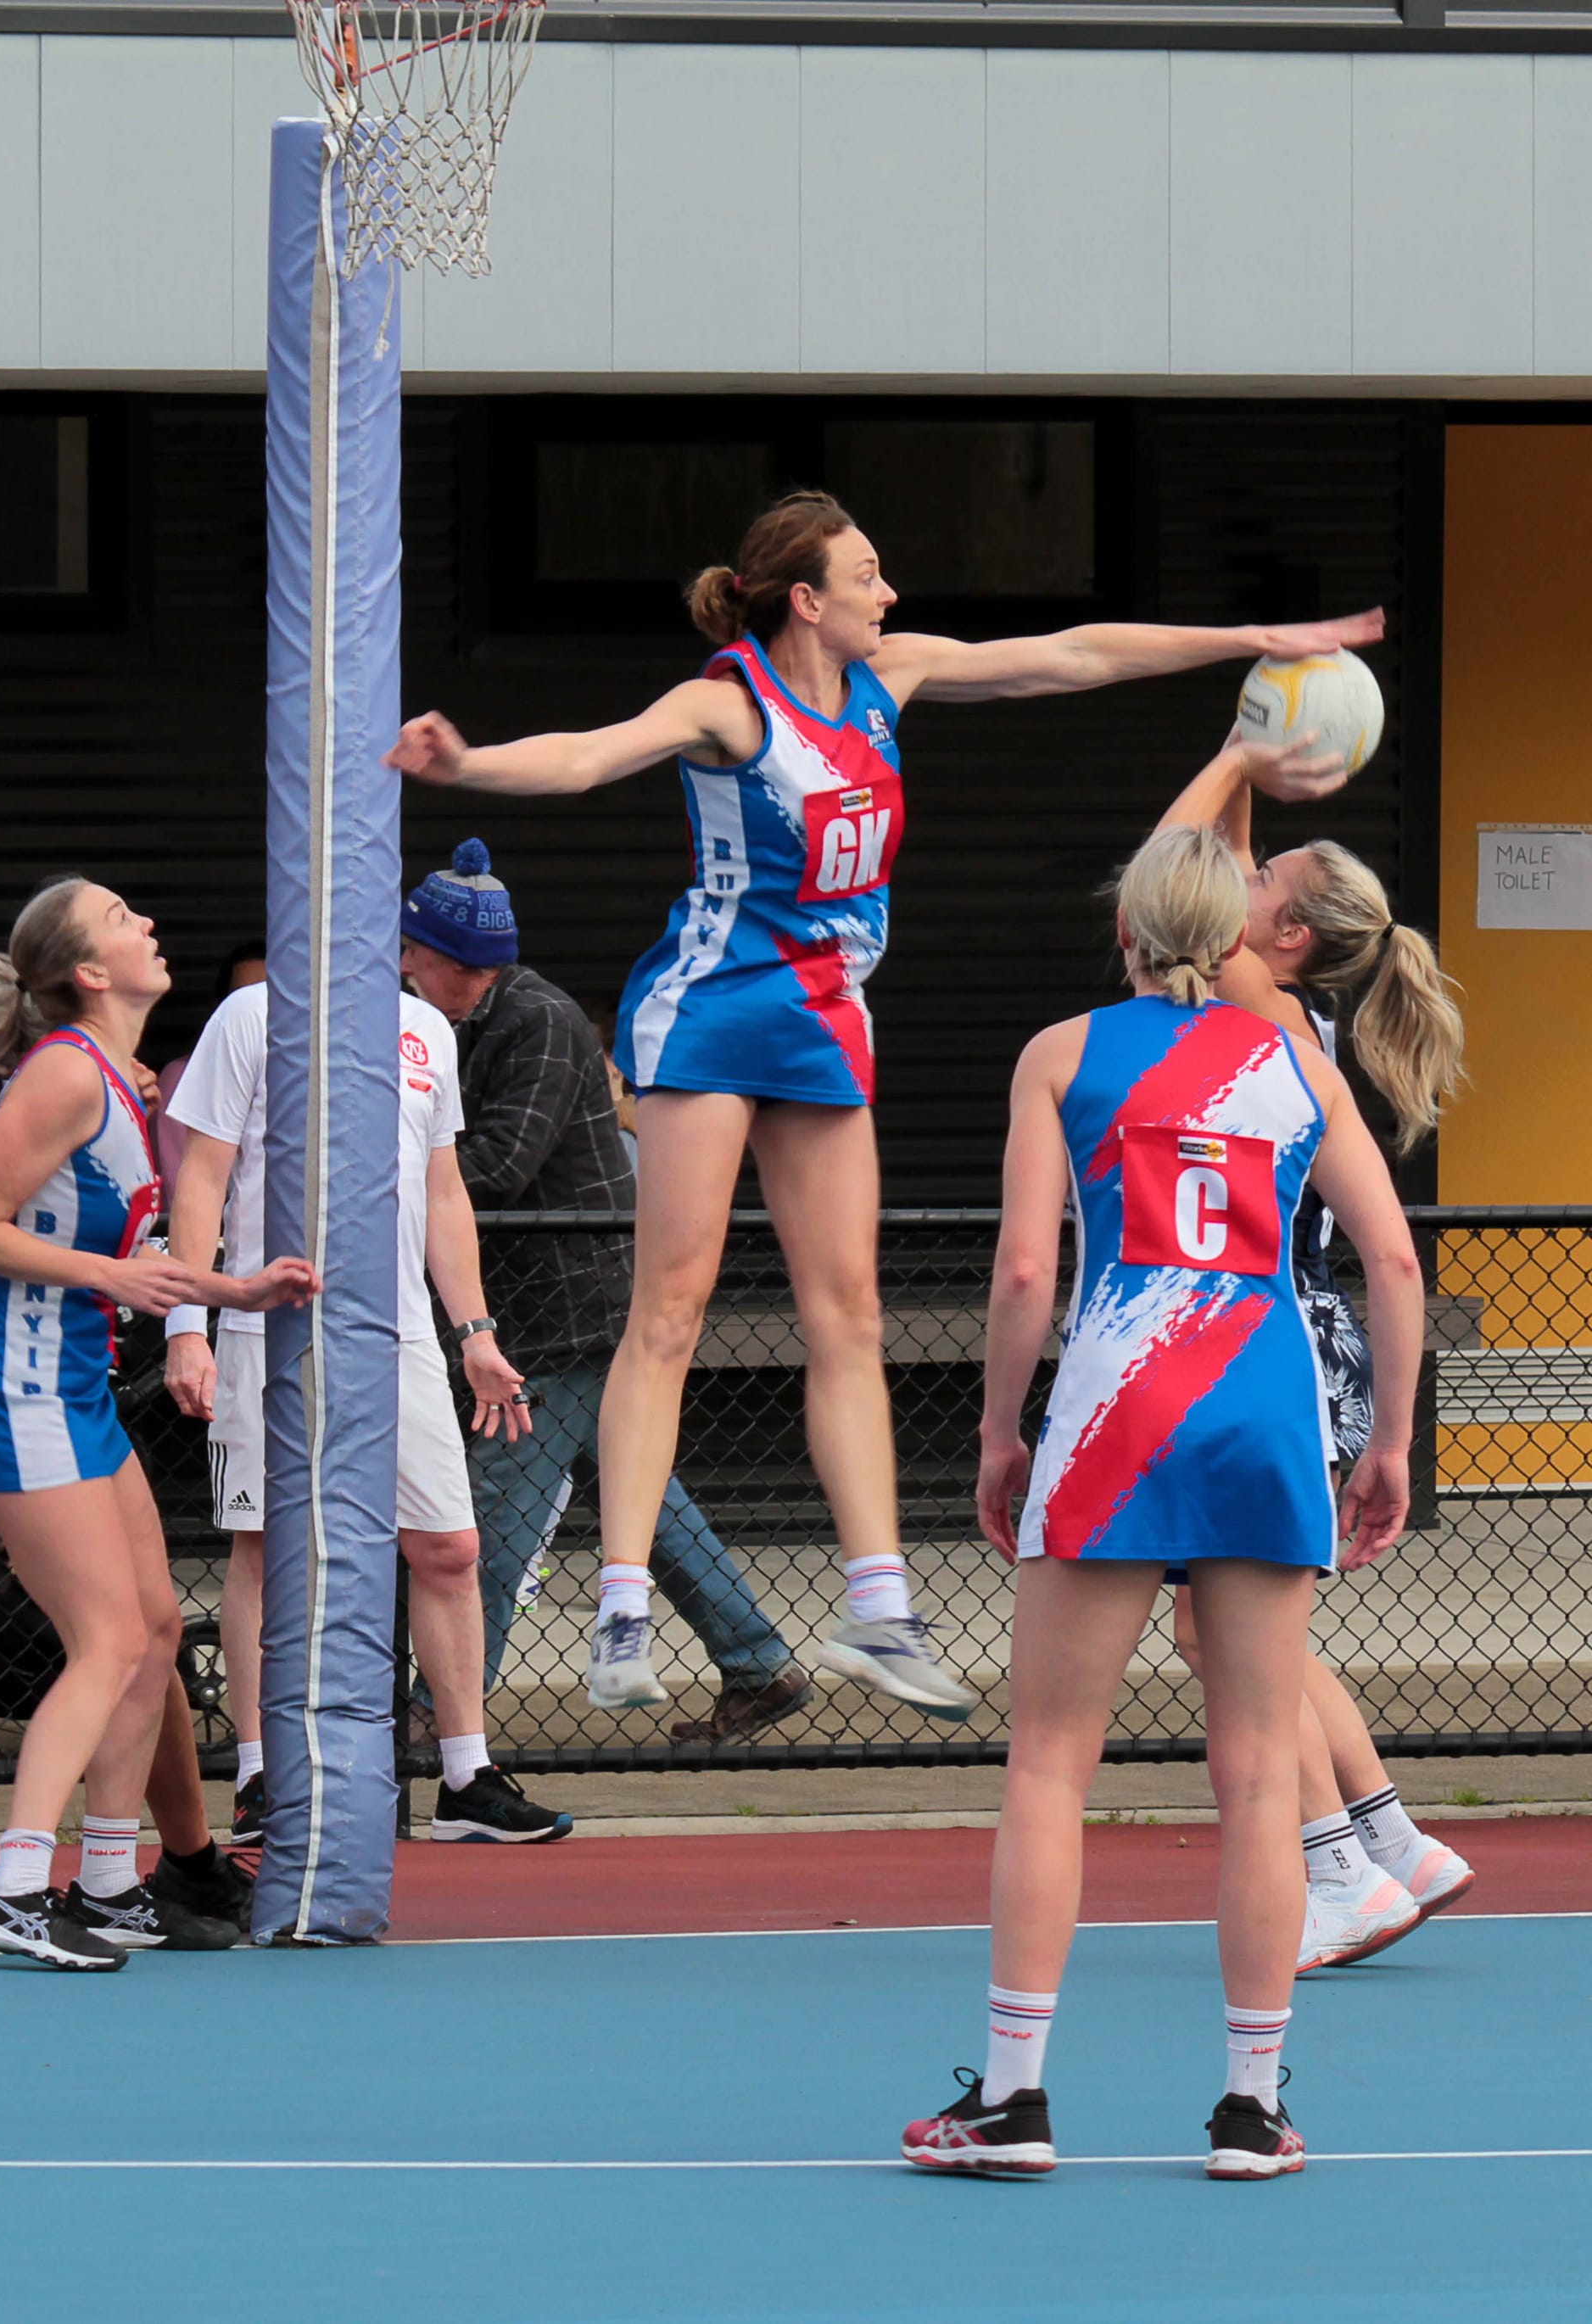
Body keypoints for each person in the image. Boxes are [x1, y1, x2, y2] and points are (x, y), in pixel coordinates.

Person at [388, 488, 1385, 1722]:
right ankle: (626, 1608)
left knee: (847, 1310)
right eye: (868, 574)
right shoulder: (730, 704)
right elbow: (591, 755)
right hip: (711, 1013)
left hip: (826, 1016)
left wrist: (1251, 643)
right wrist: (469, 763)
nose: (891, 593)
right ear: (806, 597)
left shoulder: (892, 678)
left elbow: (1067, 657)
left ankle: (879, 1610)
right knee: (673, 1309)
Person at [901, 824, 1424, 2182]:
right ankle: (1252, 2107)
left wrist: (1001, 1430)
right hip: (1263, 1405)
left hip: (1118, 1404)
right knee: (1257, 1772)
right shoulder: (1298, 1064)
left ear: (1127, 932)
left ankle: (1014, 2101)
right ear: (1239, 939)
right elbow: (1393, 1263)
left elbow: (1026, 1272)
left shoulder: (1063, 1054)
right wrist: (1394, 1447)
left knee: (1049, 1765)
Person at [0, 880, 318, 1969]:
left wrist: (227, 1294)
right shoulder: (62, 1073)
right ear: (88, 972)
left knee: (152, 1630)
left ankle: (105, 1879)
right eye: (117, 915)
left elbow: (122, 1257)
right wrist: (120, 1277)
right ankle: (11, 1884)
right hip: (13, 1388)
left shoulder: (119, 1076)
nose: (146, 918)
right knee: (104, 1641)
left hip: (74, 1387)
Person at [1154, 735, 1474, 1972]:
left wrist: (1232, 747)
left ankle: (1336, 1869)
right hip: (1303, 1335)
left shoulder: (1244, 995)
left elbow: (1168, 864)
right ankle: (1398, 1844)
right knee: (1258, 1633)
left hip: (1251, 1340)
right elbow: (1221, 854)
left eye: (1261, 882)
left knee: (1218, 1642)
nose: (1238, 879)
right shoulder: (1300, 999)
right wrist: (1259, 706)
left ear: (1280, 935)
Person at [161, 934, 573, 1846]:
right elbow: (204, 1173)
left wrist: (474, 1332)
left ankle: (464, 1773)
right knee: (267, 1549)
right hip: (267, 1324)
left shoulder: (427, 1028)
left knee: (450, 1547)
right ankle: (264, 1774)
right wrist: (186, 1323)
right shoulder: (253, 1013)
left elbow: (442, 1190)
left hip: (400, 1335)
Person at [399, 842, 809, 1742]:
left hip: (565, 1304)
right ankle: (756, 1662)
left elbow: (503, 1162)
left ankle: (433, 1712)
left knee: (494, 1513)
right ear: (408, 950)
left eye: (486, 963)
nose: (473, 977)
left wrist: (381, 1169)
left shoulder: (533, 1016)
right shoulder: (435, 1018)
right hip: (545, 1303)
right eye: (457, 961)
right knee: (640, 1491)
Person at [154, 938, 265, 1190]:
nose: (255, 1012)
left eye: (268, 999)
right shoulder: (182, 1076)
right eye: (241, 999)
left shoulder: (311, 1075)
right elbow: (183, 1187)